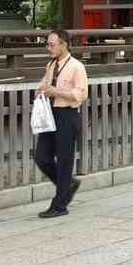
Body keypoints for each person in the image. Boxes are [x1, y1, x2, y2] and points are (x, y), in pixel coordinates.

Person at [34, 30, 87, 218]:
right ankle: (68, 185)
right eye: (47, 44)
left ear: (64, 44)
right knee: (41, 156)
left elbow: (81, 94)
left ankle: (59, 205)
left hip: (67, 114)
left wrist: (56, 92)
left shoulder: (76, 67)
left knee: (65, 161)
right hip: (51, 114)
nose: (48, 48)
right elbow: (44, 83)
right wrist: (40, 89)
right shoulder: (51, 65)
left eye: (51, 44)